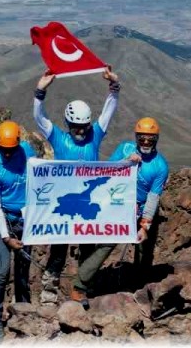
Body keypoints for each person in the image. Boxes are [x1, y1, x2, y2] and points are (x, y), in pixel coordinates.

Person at [31, 66, 119, 305]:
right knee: (58, 254)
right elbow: (40, 118)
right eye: (75, 127)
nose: (80, 132)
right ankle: (49, 294)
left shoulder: (95, 135)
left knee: (88, 250)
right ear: (67, 124)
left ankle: (82, 291)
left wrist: (114, 86)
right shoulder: (58, 137)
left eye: (84, 127)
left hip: (88, 204)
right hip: (65, 205)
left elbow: (108, 112)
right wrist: (40, 91)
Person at [72, 117, 169, 298]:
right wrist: (126, 162)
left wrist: (144, 225)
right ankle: (80, 285)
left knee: (144, 251)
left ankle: (139, 288)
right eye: (142, 138)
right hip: (120, 206)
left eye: (150, 139)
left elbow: (153, 198)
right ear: (136, 137)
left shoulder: (160, 166)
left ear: (156, 140)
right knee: (106, 244)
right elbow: (107, 171)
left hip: (142, 210)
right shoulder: (125, 148)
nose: (146, 142)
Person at [0, 120, 35, 341]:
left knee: (23, 270)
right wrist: (6, 237)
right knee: (2, 271)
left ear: (18, 144)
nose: (6, 154)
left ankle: (23, 311)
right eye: (3, 150)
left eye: (10, 150)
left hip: (26, 221)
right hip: (3, 221)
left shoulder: (27, 153)